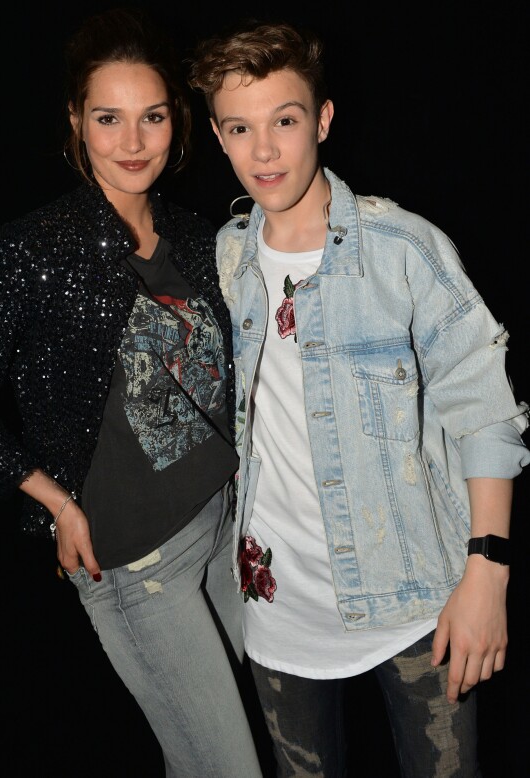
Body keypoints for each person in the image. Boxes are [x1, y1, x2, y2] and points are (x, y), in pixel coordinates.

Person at [188, 19, 530, 777]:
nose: (265, 150)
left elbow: (487, 412)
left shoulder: (404, 249)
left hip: (415, 599)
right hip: (276, 609)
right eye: (241, 128)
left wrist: (489, 573)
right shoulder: (227, 255)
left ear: (324, 120)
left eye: (285, 120)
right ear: (218, 136)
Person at [0, 7, 264, 777]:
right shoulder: (32, 250)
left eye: (151, 117)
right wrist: (55, 504)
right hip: (135, 564)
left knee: (249, 741)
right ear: (75, 122)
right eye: (109, 118)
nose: (132, 143)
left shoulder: (199, 235)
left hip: (224, 527)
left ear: (176, 121)